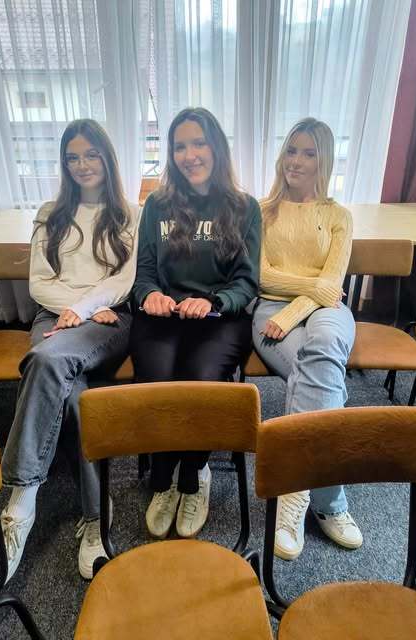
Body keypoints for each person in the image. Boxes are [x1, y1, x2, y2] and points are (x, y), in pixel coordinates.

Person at [0, 119, 138, 591]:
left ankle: (18, 502)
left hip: (109, 318)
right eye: (72, 157)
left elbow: (124, 280)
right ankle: (95, 516)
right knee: (75, 395)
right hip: (55, 317)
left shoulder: (130, 212)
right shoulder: (50, 213)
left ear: (107, 158)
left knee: (46, 361)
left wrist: (84, 309)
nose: (82, 165)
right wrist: (74, 309)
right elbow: (39, 284)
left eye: (91, 154)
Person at [131, 107, 260, 540]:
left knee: (201, 380)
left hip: (219, 317)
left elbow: (246, 282)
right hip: (164, 315)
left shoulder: (244, 207)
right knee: (157, 382)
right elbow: (144, 274)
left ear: (216, 147)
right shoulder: (157, 205)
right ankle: (164, 477)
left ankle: (195, 473)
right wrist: (150, 295)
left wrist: (213, 301)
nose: (190, 155)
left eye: (199, 143)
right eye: (180, 146)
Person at [252, 117, 362, 561]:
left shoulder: (338, 216)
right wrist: (311, 289)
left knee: (323, 353)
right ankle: (330, 503)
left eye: (309, 153)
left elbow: (331, 286)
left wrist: (296, 308)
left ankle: (293, 494)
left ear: (324, 160)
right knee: (323, 378)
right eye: (291, 150)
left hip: (324, 312)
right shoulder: (262, 211)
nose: (296, 161)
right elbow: (262, 276)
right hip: (269, 310)